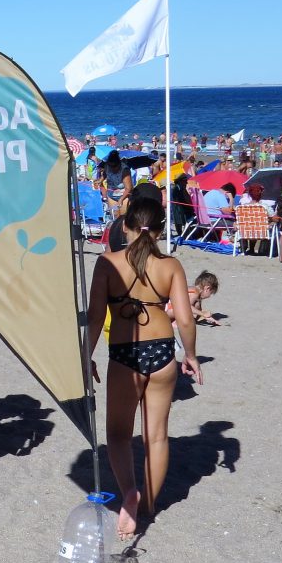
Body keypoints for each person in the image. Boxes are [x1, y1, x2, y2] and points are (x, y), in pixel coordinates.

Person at [86, 198, 202, 538]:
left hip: (125, 353)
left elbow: (94, 318)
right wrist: (191, 356)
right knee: (157, 435)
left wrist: (85, 355)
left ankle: (130, 494)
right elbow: (185, 319)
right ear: (161, 229)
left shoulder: (107, 263)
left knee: (119, 436)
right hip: (163, 352)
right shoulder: (171, 266)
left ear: (125, 226)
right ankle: (149, 506)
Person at [100, 150, 133, 217]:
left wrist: (121, 199)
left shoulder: (125, 170)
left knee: (124, 216)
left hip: (124, 195)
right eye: (111, 167)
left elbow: (128, 188)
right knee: (114, 217)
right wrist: (100, 180)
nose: (113, 169)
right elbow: (105, 174)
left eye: (115, 167)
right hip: (111, 195)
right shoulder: (107, 166)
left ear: (119, 163)